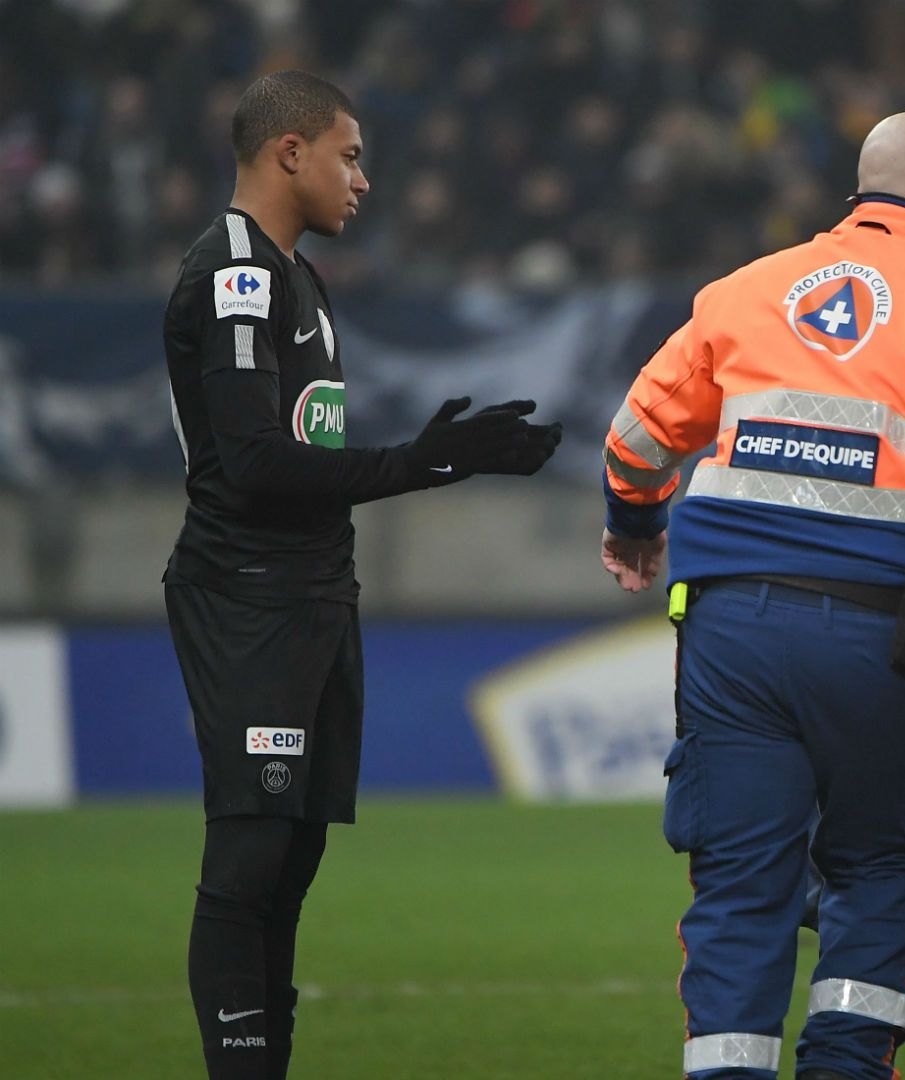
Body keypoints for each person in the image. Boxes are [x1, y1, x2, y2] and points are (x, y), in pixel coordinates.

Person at [598, 112, 905, 1080]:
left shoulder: (744, 290)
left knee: (738, 881)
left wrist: (634, 524)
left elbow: (634, 439)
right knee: (880, 868)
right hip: (884, 644)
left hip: (731, 635)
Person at [163, 71, 561, 1080]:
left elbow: (307, 454)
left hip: (315, 595)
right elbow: (255, 464)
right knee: (251, 854)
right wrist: (426, 463)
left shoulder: (301, 278)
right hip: (248, 593)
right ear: (288, 152)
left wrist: (438, 460)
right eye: (349, 156)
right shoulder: (236, 276)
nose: (363, 179)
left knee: (293, 857)